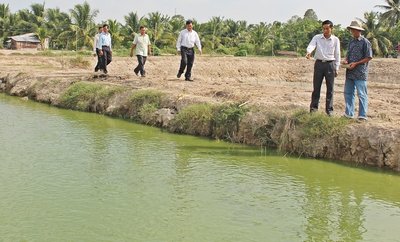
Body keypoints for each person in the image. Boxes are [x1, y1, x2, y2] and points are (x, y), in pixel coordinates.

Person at [306, 20, 341, 116]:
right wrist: (309, 52)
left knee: (330, 89)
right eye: (324, 28)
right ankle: (313, 109)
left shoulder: (335, 40)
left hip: (330, 64)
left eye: (327, 28)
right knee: (316, 87)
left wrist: (337, 68)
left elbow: (337, 54)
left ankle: (329, 110)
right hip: (319, 64)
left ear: (331, 29)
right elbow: (312, 45)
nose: (325, 30)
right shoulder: (317, 37)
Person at [343, 20, 373, 121]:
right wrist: (346, 60)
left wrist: (356, 63)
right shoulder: (351, 42)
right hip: (350, 72)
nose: (353, 32)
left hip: (360, 73)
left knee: (362, 94)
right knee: (348, 93)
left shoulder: (365, 42)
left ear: (359, 31)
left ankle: (362, 115)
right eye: (352, 30)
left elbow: (369, 57)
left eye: (355, 30)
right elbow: (348, 55)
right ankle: (349, 113)